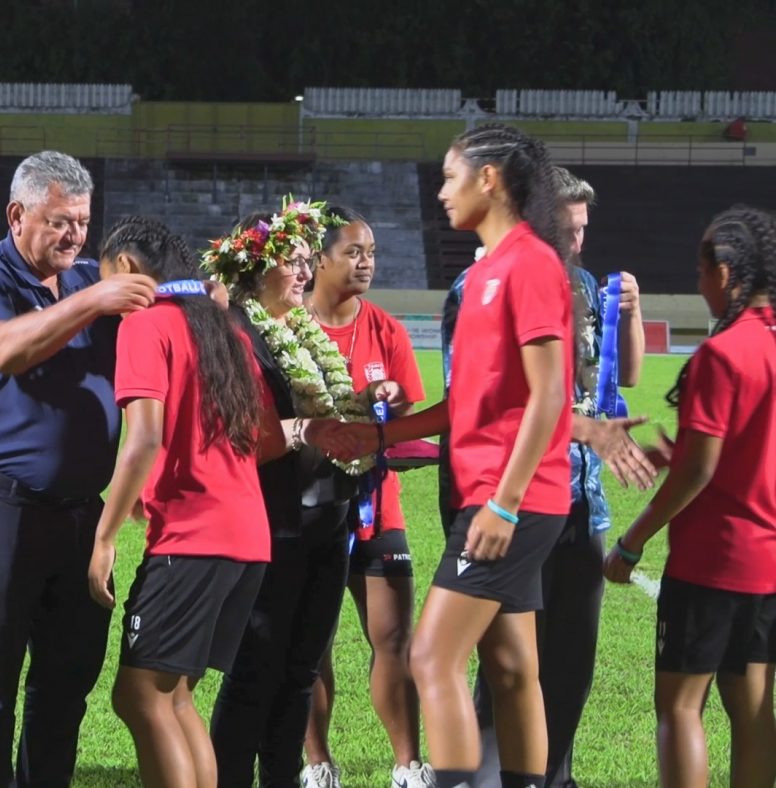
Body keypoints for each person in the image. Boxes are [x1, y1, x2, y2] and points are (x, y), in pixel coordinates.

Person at [312, 123, 576, 788]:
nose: (440, 192)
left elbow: (550, 396)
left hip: (506, 501)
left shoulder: (530, 264)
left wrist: (504, 503)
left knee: (429, 657)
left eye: (451, 176)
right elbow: (466, 404)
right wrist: (375, 437)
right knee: (513, 668)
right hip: (487, 494)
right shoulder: (487, 272)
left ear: (489, 180)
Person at [0, 150, 157, 787]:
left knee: (66, 684)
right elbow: (3, 349)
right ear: (17, 214)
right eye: (60, 221)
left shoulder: (92, 277)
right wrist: (92, 303)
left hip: (83, 515)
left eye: (83, 222)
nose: (75, 235)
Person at [442, 167, 654, 788]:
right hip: (521, 506)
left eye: (584, 229)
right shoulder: (478, 285)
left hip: (584, 505)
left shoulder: (587, 285)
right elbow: (475, 402)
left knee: (568, 669)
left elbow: (621, 381)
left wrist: (631, 317)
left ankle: (552, 778)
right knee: (508, 668)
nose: (579, 242)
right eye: (568, 228)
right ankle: (488, 776)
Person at [87, 215, 277, 787]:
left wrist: (104, 537)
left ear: (124, 268)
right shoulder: (226, 328)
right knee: (174, 697)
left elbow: (142, 438)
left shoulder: (146, 327)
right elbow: (253, 435)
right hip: (247, 535)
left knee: (139, 696)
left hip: (193, 539)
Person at [203, 200, 386, 788]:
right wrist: (308, 430)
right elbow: (241, 439)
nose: (305, 272)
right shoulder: (238, 333)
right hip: (269, 526)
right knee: (255, 670)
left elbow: (335, 415)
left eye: (309, 260)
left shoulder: (303, 330)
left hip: (327, 523)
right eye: (293, 261)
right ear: (257, 266)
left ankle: (281, 776)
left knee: (301, 670)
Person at [603, 205, 776, 788]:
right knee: (753, 712)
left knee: (680, 708)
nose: (700, 286)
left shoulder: (722, 354)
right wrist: (675, 454)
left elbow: (699, 473)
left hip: (712, 562)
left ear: (723, 274)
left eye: (701, 272)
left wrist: (630, 544)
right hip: (768, 562)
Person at [299, 206, 434, 788]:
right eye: (353, 252)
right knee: (313, 641)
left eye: (371, 252)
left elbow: (411, 415)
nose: (366, 262)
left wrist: (394, 395)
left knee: (394, 638)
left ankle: (408, 765)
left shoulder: (386, 329)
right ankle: (317, 764)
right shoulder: (288, 327)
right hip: (306, 507)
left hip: (379, 507)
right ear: (320, 258)